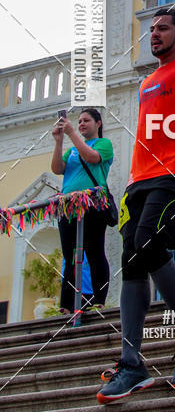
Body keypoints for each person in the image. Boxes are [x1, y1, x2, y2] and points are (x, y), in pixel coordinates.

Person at [97, 7, 175, 404]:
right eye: (151, 29)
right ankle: (132, 364)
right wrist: (131, 181)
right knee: (133, 261)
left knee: (150, 243)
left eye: (163, 29)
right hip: (141, 179)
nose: (154, 35)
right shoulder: (147, 82)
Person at [51, 108, 113, 312]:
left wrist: (71, 134)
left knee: (95, 252)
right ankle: (67, 304)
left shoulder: (104, 144)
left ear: (98, 123)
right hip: (68, 205)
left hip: (92, 203)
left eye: (86, 120)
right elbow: (57, 168)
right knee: (70, 256)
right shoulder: (73, 149)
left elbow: (92, 158)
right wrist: (59, 141)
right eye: (78, 121)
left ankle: (98, 299)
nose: (81, 124)